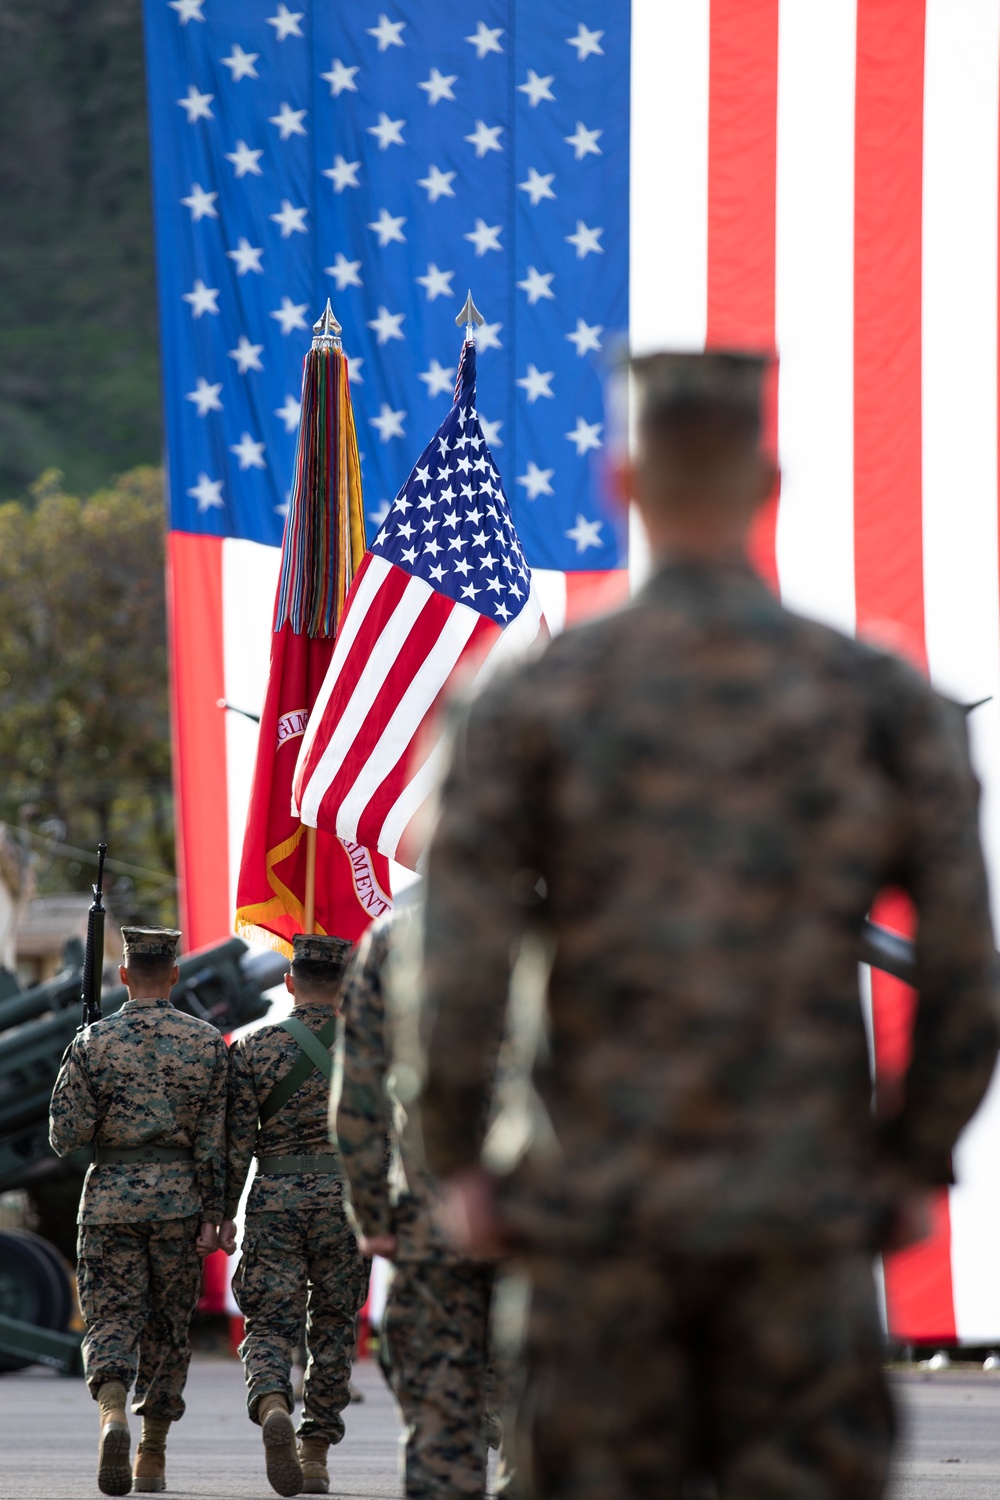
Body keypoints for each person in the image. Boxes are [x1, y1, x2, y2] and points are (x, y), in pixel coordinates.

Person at [418, 350, 1000, 1500]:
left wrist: (457, 1163)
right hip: (803, 1211)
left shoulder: (531, 700)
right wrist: (908, 1155)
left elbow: (454, 966)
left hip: (594, 1219)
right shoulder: (875, 699)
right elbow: (965, 968)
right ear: (767, 481)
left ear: (618, 483)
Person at [49, 925, 228, 1497]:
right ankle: (151, 1455)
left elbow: (63, 1136)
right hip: (179, 1202)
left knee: (110, 1320)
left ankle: (111, 1415)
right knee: (169, 1328)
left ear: (123, 974)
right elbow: (217, 1141)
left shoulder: (93, 1041)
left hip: (108, 1203)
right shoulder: (206, 1043)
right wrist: (215, 1212)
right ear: (174, 974)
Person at [333, 903, 500, 1500]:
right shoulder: (594, 913)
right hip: (557, 1217)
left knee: (438, 1426)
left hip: (435, 1216)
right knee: (547, 1420)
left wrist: (372, 1216)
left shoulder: (397, 935)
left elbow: (357, 1092)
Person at [222, 932, 368, 1497]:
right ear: (346, 986)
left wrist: (222, 1212)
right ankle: (314, 1454)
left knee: (269, 1321)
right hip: (347, 1205)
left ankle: (274, 1400)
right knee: (333, 1327)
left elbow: (234, 1144)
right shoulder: (371, 1048)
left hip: (275, 1200)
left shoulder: (255, 1049)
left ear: (289, 984)